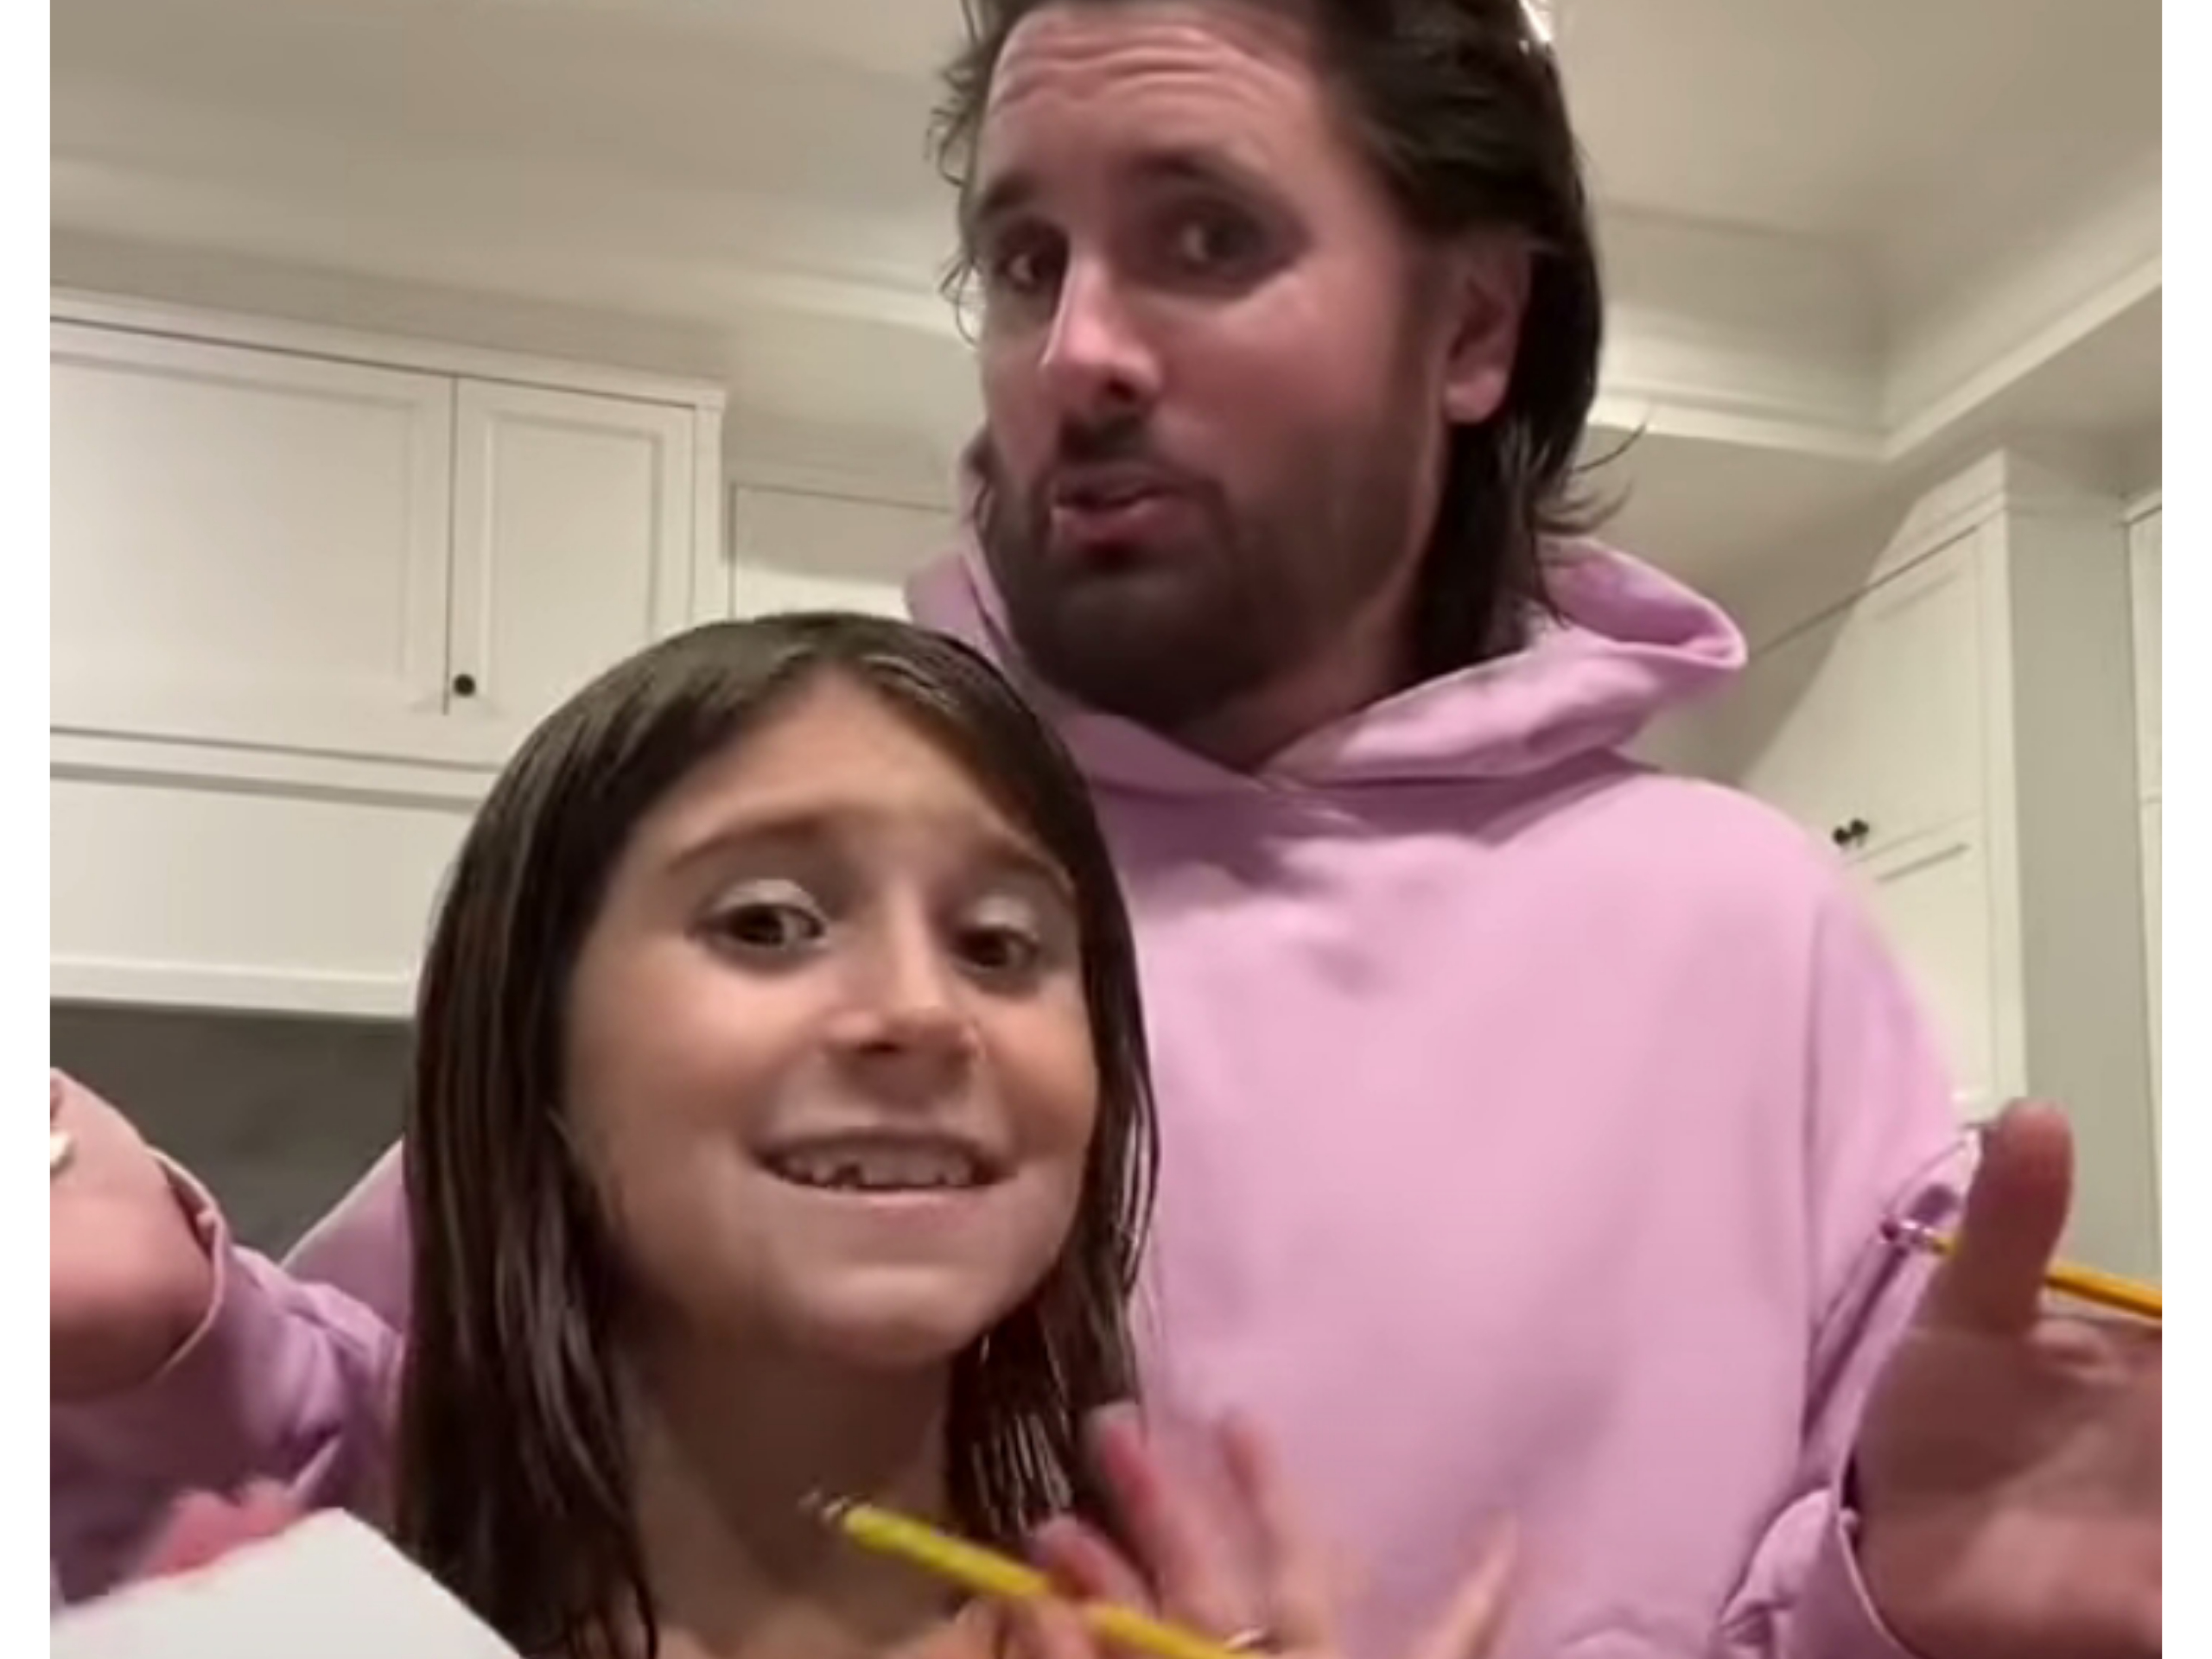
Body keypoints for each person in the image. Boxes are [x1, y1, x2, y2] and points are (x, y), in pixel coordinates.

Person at [53, 2, 2158, 1655]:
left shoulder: (1748, 931)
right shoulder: (802, 860)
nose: (1074, 351)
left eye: (1205, 239)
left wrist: (1915, 1611)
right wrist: (159, 1343)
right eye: (1020, 259)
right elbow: (403, 1467)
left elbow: (1930, 1560)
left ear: (1471, 330)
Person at [60, 612, 1516, 1659]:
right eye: (766, 924)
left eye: (1002, 946)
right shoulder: (301, 1621)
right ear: (534, 1050)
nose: (924, 1012)